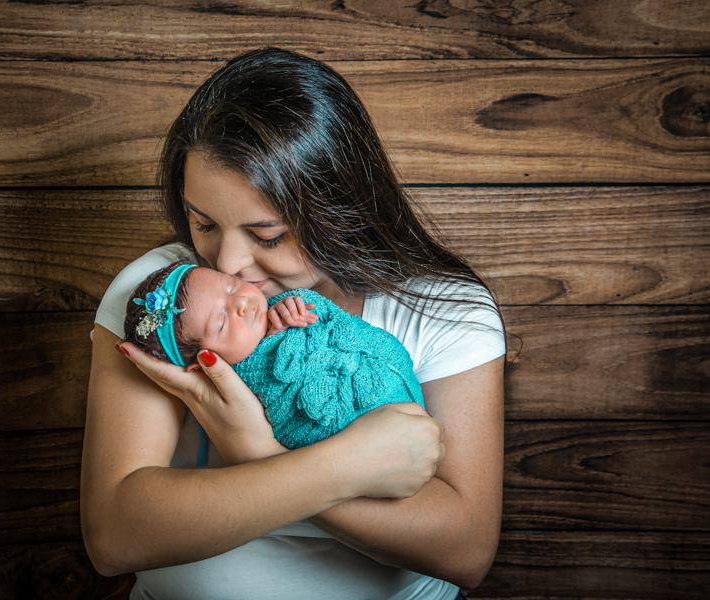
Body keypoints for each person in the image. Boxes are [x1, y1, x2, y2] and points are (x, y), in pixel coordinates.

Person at [81, 47, 506, 600]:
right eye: (203, 223)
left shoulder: (444, 310)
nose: (227, 263)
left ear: (343, 209)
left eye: (268, 236)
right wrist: (322, 464)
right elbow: (113, 537)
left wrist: (260, 458)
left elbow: (466, 551)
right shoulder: (161, 302)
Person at [123, 262, 425, 449]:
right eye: (222, 322)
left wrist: (291, 306)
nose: (242, 304)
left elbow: (323, 314)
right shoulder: (237, 393)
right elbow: (273, 429)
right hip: (359, 439)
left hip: (382, 370)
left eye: (231, 286)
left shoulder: (276, 307)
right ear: (202, 362)